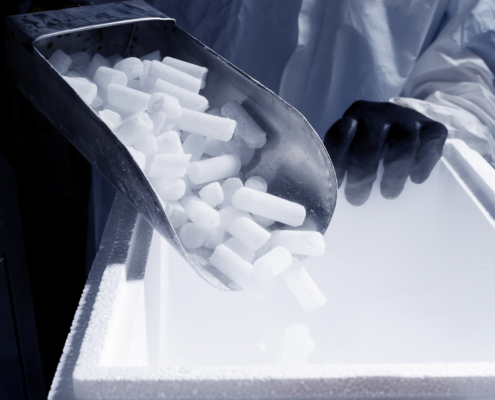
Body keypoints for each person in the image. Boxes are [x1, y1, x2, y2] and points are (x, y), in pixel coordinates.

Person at [87, 0, 495, 262]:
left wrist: (422, 116)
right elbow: (125, 30)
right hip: (168, 196)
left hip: (363, 215)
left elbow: (470, 65)